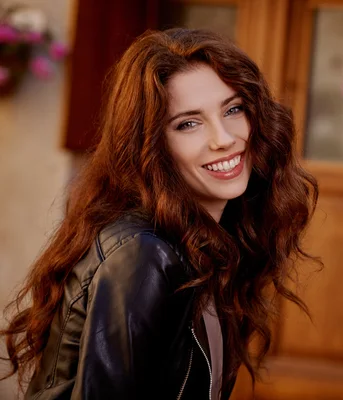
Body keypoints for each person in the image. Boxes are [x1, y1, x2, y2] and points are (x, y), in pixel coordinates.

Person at [0, 28, 318, 400]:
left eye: (233, 109)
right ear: (152, 145)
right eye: (188, 123)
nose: (224, 138)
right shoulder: (145, 254)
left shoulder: (208, 243)